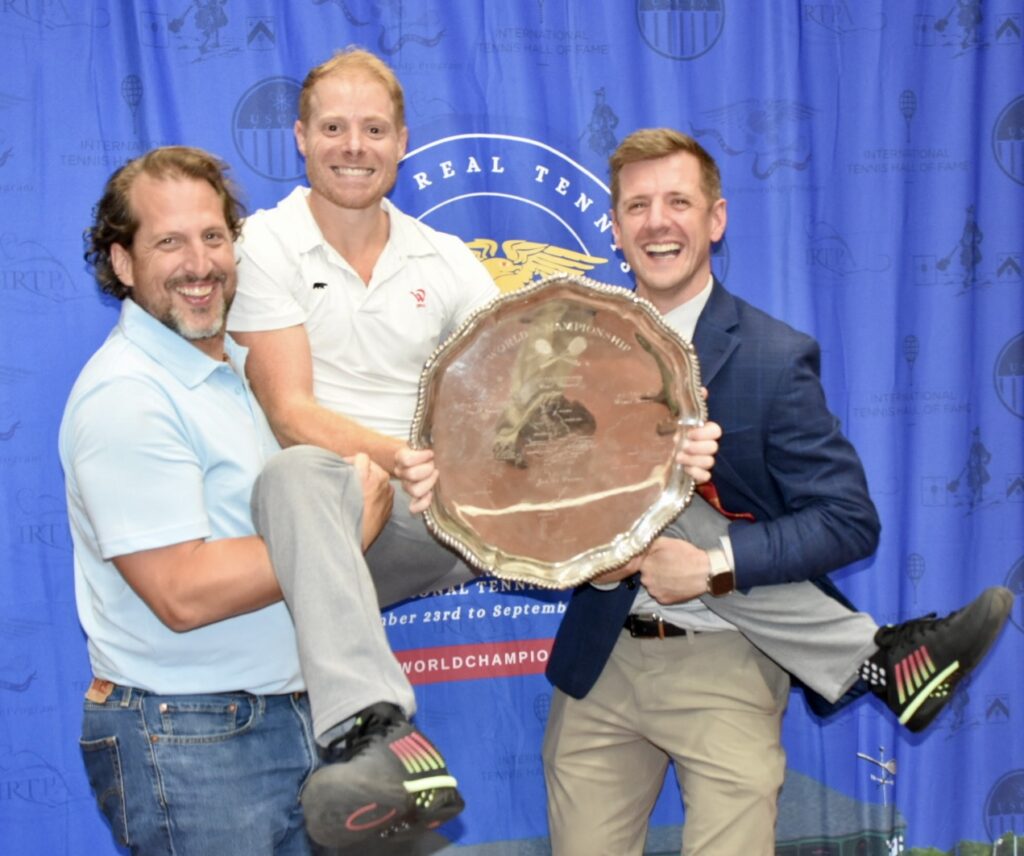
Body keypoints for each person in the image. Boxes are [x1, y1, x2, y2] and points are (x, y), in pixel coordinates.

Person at [396, 128, 1013, 855]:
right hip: (601, 661)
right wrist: (463, 488)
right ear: (616, 227)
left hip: (726, 663)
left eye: (678, 202)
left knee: (676, 489)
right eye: (637, 206)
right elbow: (529, 503)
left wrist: (713, 566)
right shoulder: (560, 352)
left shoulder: (772, 357)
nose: (657, 222)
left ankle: (873, 656)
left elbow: (848, 522)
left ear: (715, 219)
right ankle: (874, 658)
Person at [60, 146, 463, 854]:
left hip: (300, 721)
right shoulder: (127, 394)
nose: (200, 264)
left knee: (306, 477)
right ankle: (376, 733)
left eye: (214, 237)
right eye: (169, 243)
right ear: (122, 262)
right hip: (194, 740)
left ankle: (377, 729)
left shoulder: (240, 375)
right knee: (312, 486)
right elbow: (180, 593)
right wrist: (345, 532)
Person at [227, 47, 503, 607]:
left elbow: (512, 376)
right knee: (304, 473)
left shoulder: (446, 257)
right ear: (301, 136)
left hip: (424, 508)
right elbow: (290, 415)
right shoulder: (259, 244)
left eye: (374, 130)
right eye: (334, 127)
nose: (354, 146)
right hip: (319, 500)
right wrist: (404, 461)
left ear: (401, 143)